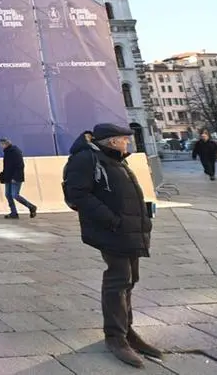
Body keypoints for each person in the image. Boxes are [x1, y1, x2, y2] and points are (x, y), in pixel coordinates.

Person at [64, 123, 161, 368]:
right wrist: (111, 220)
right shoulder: (86, 159)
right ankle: (115, 337)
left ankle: (127, 331)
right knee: (118, 279)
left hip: (129, 231)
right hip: (111, 231)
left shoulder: (115, 159)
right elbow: (77, 194)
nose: (127, 143)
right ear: (111, 141)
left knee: (130, 279)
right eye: (124, 139)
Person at [0, 138, 37, 219]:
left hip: (15, 178)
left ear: (5, 143)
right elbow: (7, 166)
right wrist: (4, 175)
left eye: (1, 144)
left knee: (15, 195)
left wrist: (15, 177)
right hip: (8, 177)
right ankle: (14, 212)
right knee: (8, 195)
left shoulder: (15, 151)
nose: (1, 146)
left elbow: (20, 166)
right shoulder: (7, 152)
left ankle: (31, 207)